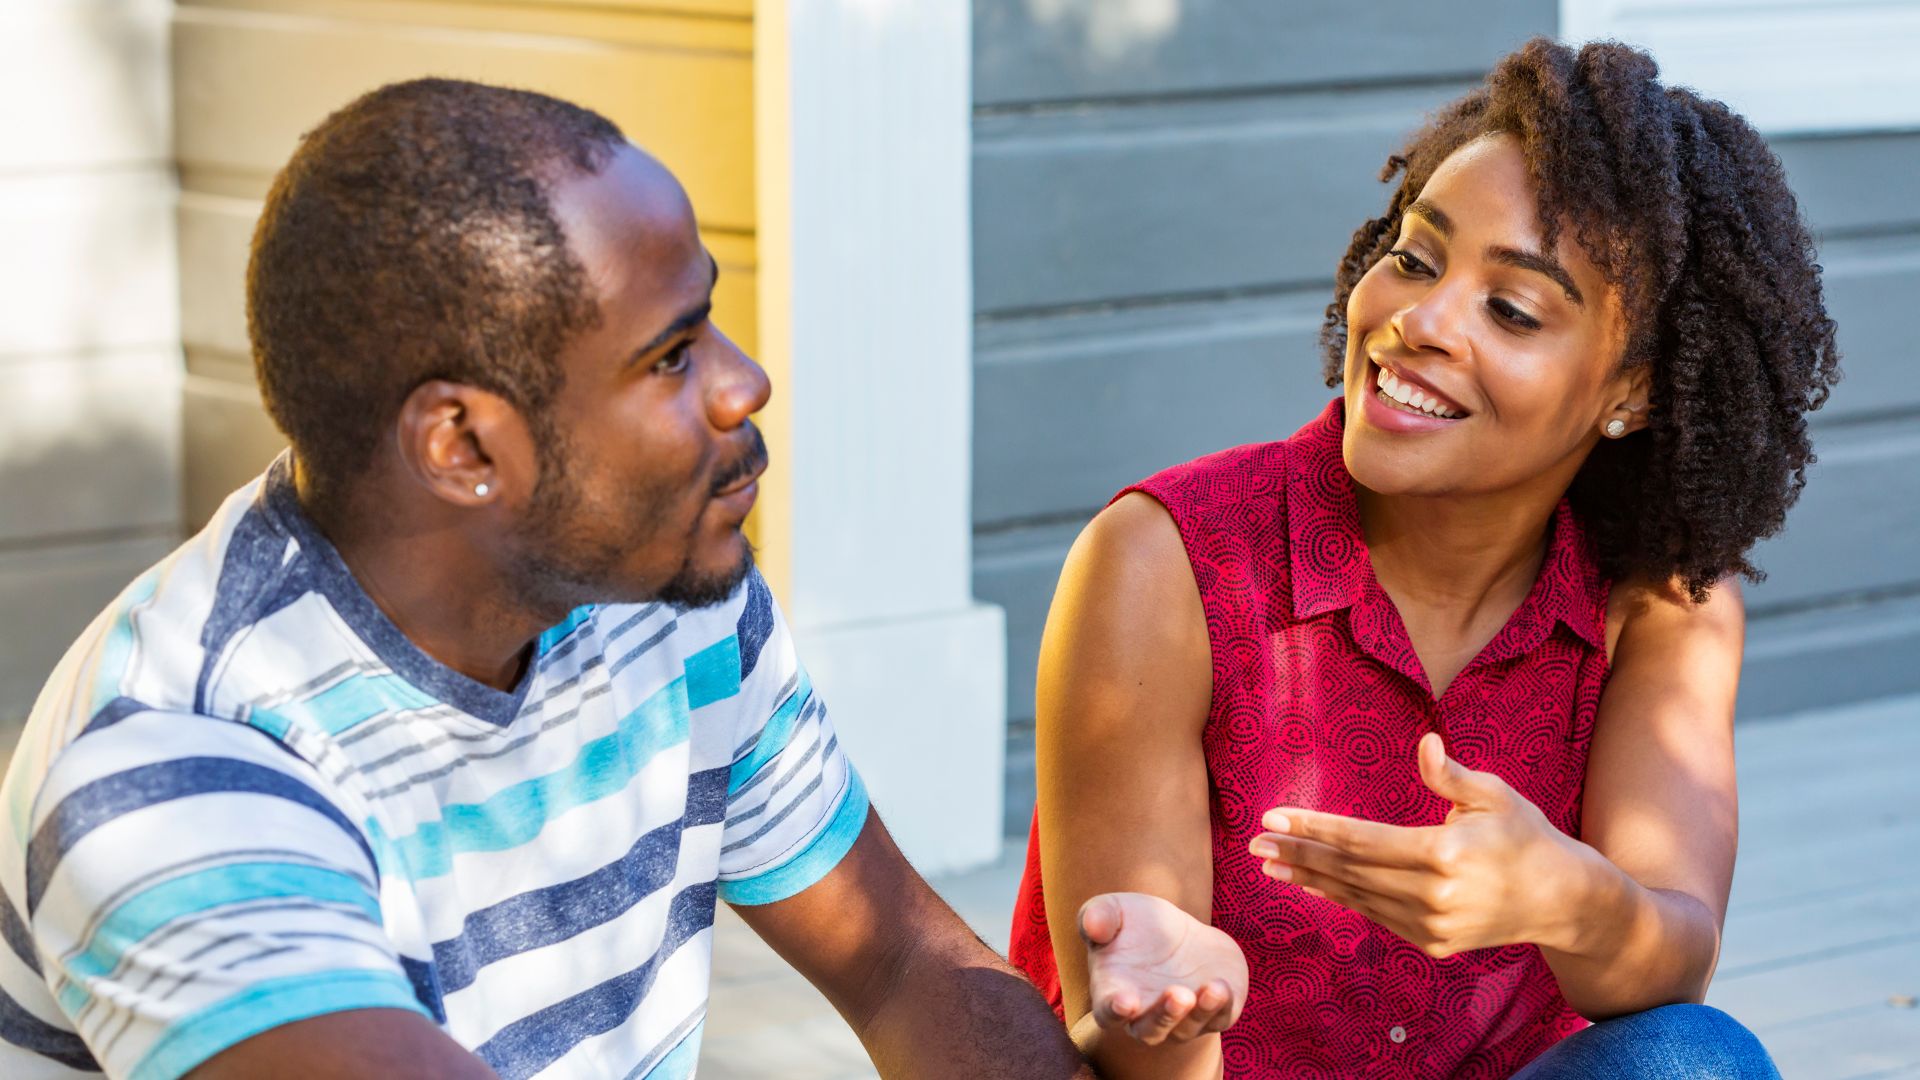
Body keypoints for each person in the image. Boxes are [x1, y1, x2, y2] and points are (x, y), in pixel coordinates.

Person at [0, 80, 1104, 1080]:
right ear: (464, 448)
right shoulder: (176, 769)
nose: (745, 383)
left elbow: (904, 965)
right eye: (672, 357)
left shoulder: (660, 600)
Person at [1007, 38, 1838, 1079]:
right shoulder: (1166, 561)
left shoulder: (1658, 608)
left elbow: (1669, 965)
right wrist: (1176, 1010)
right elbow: (1129, 1039)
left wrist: (1566, 898)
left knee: (1691, 1059)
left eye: (1514, 309)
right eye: (1415, 255)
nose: (1418, 321)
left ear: (1635, 392)